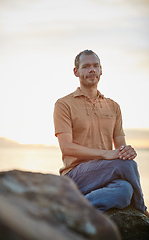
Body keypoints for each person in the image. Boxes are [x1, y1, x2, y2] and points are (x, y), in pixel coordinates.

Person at [54, 49, 148, 216]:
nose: (92, 70)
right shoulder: (64, 104)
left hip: (106, 174)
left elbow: (121, 151)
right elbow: (66, 148)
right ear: (76, 72)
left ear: (101, 70)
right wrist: (106, 154)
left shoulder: (113, 106)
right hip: (75, 175)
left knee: (125, 190)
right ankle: (142, 209)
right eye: (86, 66)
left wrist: (127, 151)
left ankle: (75, 209)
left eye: (96, 66)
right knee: (128, 165)